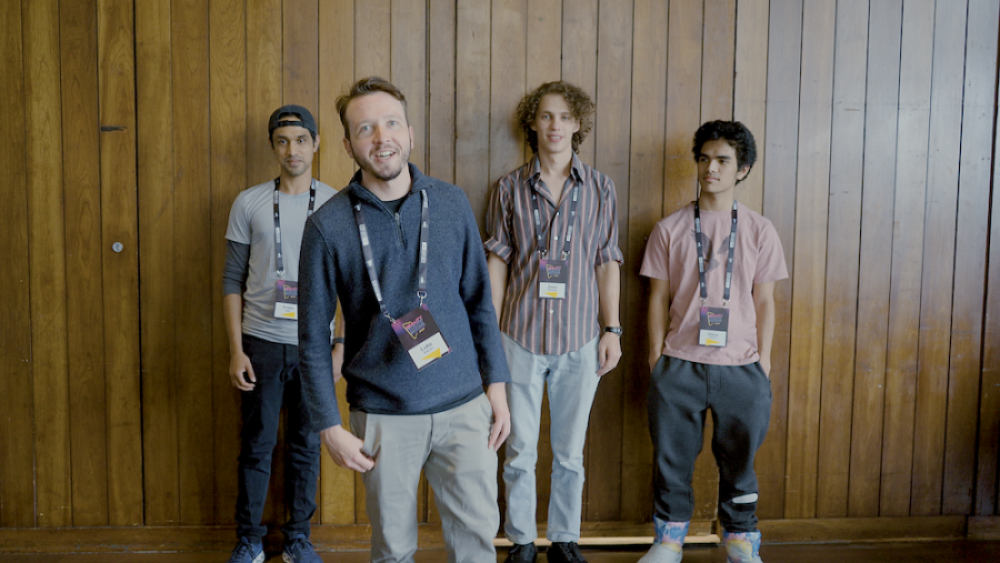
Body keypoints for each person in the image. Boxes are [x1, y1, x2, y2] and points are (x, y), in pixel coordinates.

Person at [297, 76, 512, 563]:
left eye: (391, 123)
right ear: (350, 145)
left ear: (410, 134)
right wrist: (328, 426)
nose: (381, 137)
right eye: (366, 128)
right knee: (393, 549)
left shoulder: (452, 202)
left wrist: (496, 391)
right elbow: (311, 339)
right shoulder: (326, 226)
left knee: (477, 541)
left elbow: (479, 301)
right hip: (383, 415)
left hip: (464, 407)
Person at [484, 81, 624, 563]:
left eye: (564, 116)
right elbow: (498, 263)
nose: (555, 125)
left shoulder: (601, 187)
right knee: (519, 451)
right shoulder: (508, 188)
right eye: (545, 116)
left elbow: (607, 262)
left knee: (570, 453)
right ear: (532, 124)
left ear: (578, 124)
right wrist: (490, 332)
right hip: (518, 335)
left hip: (581, 338)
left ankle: (564, 540)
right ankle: (521, 541)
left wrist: (613, 330)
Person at [638, 121, 788, 563]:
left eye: (723, 160)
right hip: (678, 364)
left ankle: (741, 541)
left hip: (742, 366)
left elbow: (765, 302)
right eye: (704, 159)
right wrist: (655, 356)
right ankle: (668, 541)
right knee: (671, 459)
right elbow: (657, 298)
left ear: (742, 169)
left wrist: (764, 363)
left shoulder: (760, 230)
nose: (711, 168)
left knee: (740, 462)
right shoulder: (669, 228)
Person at [223, 105, 337, 563]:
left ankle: (298, 540)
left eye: (301, 140)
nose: (292, 149)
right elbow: (232, 280)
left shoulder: (335, 203)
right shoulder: (248, 202)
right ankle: (249, 540)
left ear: (315, 144)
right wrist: (236, 350)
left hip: (314, 346)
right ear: (274, 147)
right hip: (261, 343)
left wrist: (340, 346)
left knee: (307, 446)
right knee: (257, 444)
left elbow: (347, 286)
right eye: (283, 141)